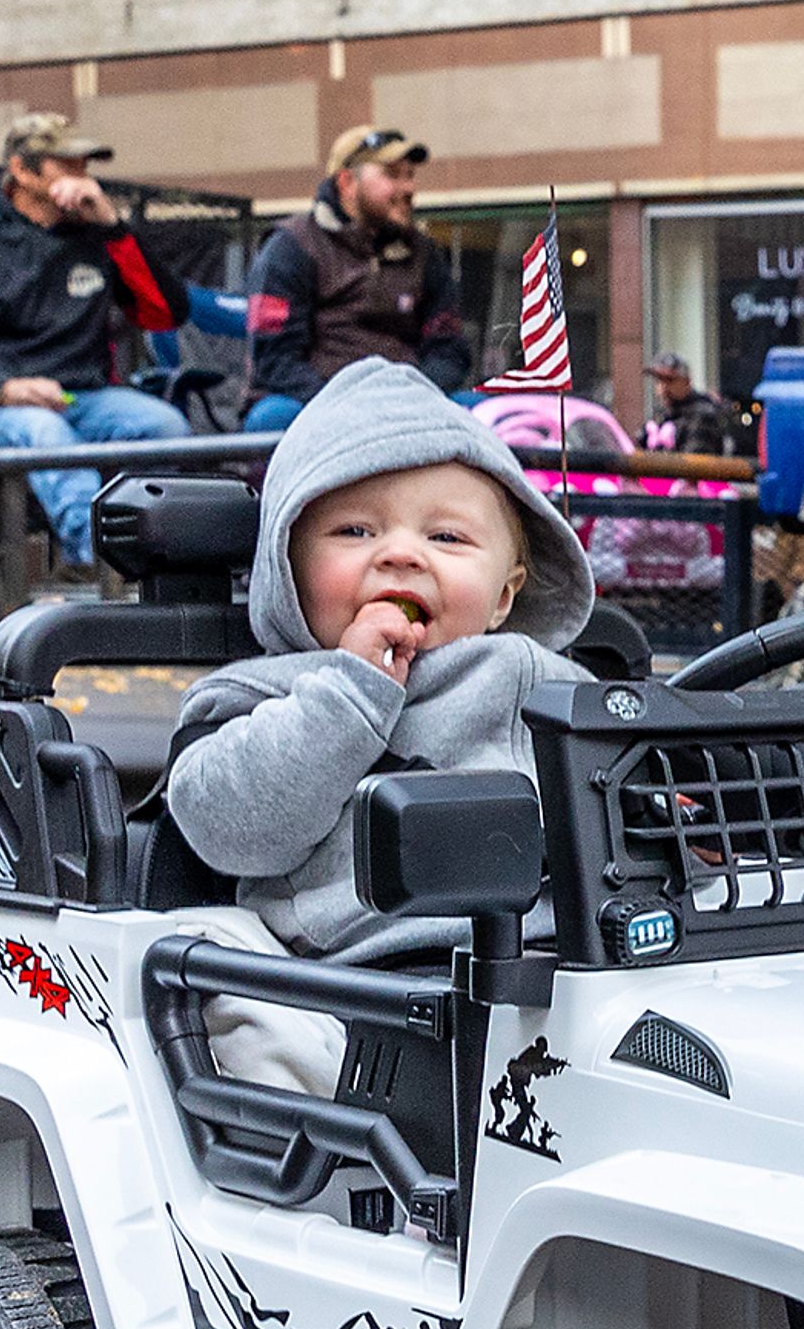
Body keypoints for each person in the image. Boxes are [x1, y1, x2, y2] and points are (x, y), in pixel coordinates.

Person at [163, 361, 590, 1090]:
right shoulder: (266, 690)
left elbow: (614, 772)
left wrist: (669, 816)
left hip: (550, 976)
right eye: (355, 530)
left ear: (501, 596)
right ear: (286, 570)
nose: (400, 552)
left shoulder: (533, 674)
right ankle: (291, 1164)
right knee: (214, 966)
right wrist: (350, 697)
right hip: (344, 992)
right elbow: (220, 821)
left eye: (449, 538)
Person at [0, 111, 189, 572]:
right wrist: (5, 387)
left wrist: (114, 225)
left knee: (164, 426)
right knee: (46, 433)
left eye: (85, 166)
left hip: (84, 395)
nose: (84, 178)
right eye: (68, 165)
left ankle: (154, 556)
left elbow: (165, 313)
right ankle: (98, 563)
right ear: (22, 170)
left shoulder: (96, 232)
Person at [238, 125, 472, 437]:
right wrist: (349, 406)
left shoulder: (424, 253)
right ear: (347, 182)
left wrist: (411, 397)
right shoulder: (291, 246)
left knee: (491, 413)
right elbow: (275, 359)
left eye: (410, 175)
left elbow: (449, 350)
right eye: (392, 175)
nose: (408, 187)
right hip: (312, 404)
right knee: (273, 418)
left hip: (409, 403)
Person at [639, 350, 741, 456]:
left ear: (686, 382)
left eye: (669, 380)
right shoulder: (662, 415)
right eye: (659, 380)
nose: (663, 388)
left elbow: (694, 464)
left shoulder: (702, 414)